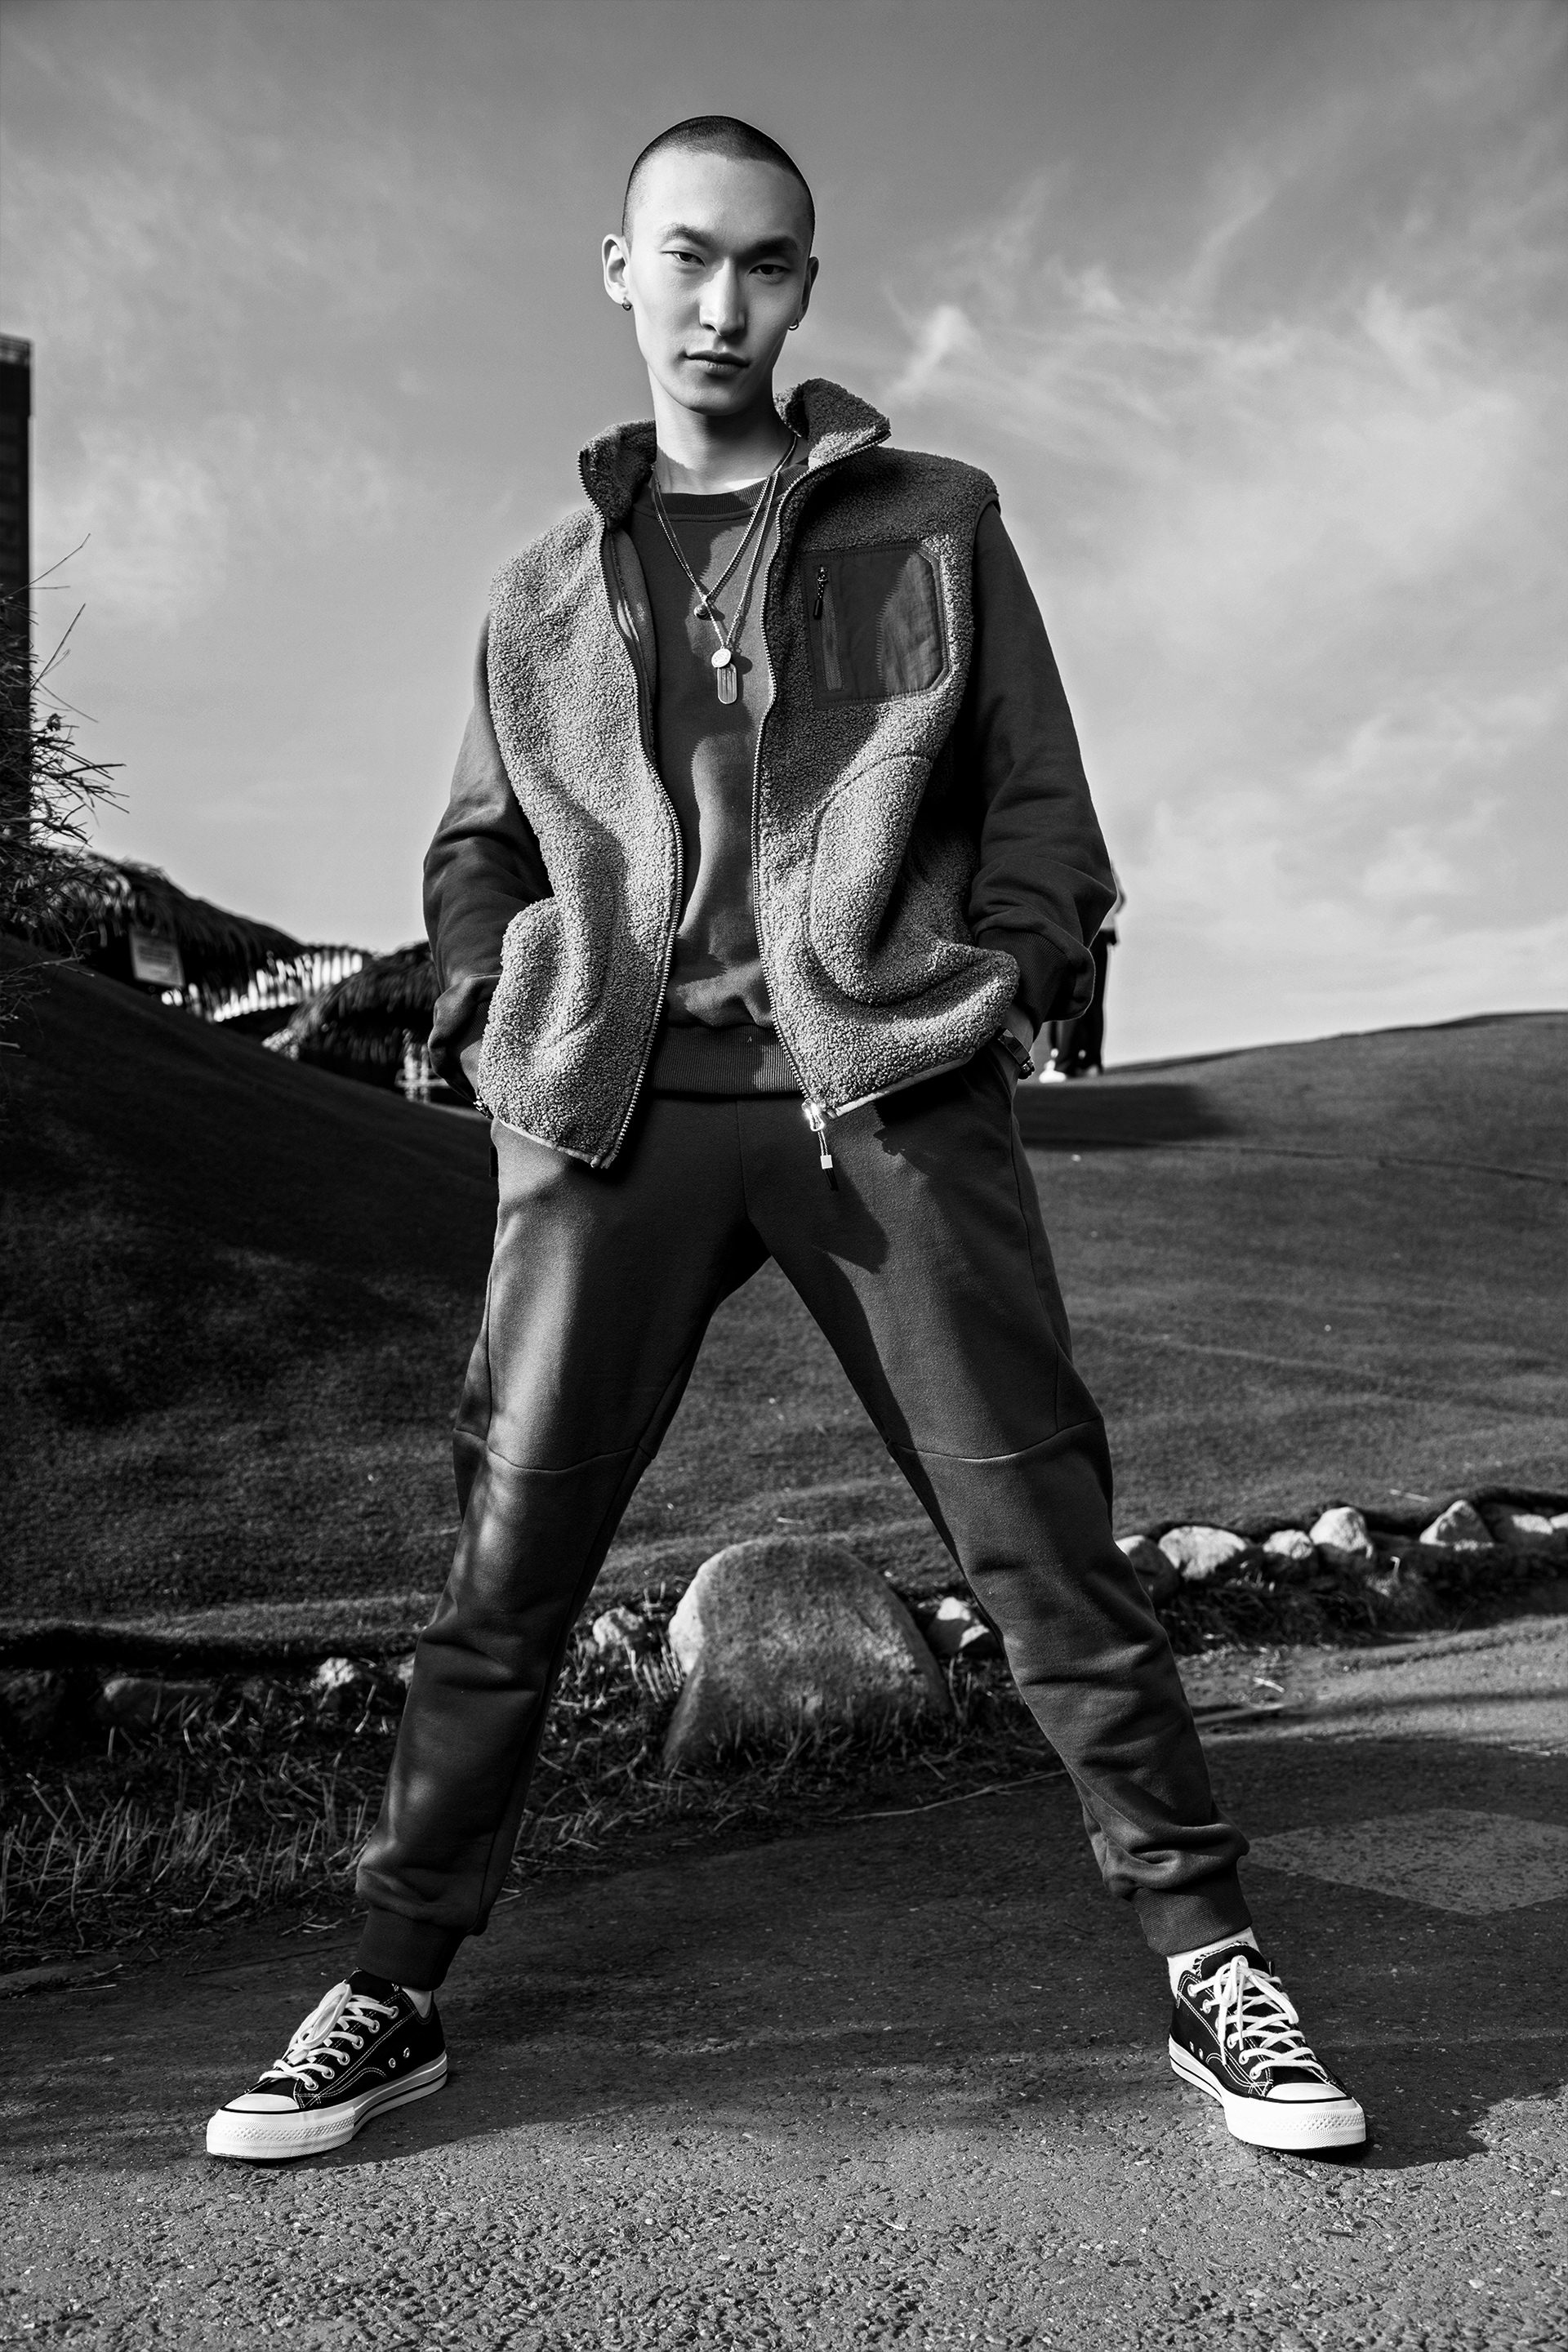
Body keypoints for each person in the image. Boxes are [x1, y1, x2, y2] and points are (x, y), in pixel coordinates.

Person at [206, 118, 1364, 2165]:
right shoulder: (540, 589)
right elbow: (477, 848)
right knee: (507, 1563)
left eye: (764, 264)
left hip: (884, 1099)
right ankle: (386, 1986)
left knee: (1040, 1532)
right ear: (619, 270)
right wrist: (492, 1005)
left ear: (807, 287)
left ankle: (1215, 1963)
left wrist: (1007, 976)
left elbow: (1040, 800)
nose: (721, 302)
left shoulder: (937, 518)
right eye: (685, 256)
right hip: (613, 1121)